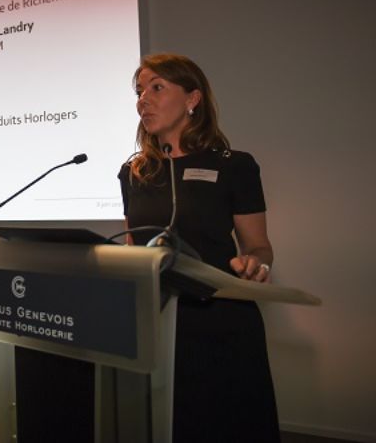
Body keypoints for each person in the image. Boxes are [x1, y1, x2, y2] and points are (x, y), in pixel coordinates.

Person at [118, 53, 280, 442]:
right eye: (139, 92)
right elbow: (132, 247)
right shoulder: (133, 173)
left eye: (157, 88)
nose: (144, 100)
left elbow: (259, 247)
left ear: (193, 99)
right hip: (155, 320)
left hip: (219, 319)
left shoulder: (234, 166)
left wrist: (255, 265)